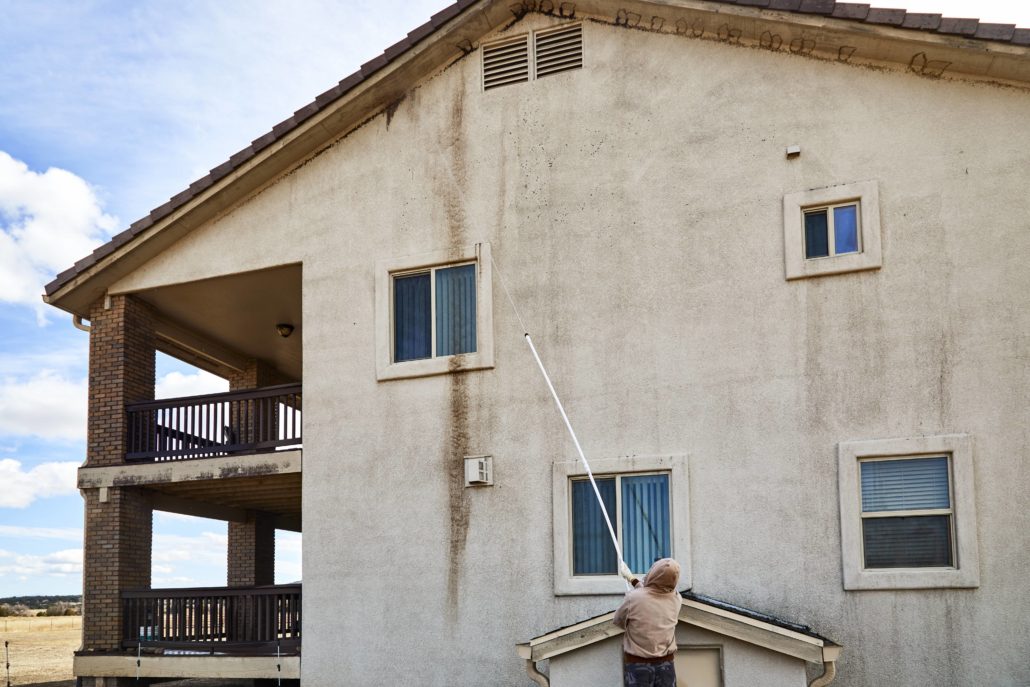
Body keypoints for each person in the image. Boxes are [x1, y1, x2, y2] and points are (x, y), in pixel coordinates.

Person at [612, 558, 682, 687]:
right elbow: (654, 592)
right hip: (666, 667)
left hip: (638, 667)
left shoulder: (633, 598)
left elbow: (618, 621)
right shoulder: (677, 598)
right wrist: (632, 580)